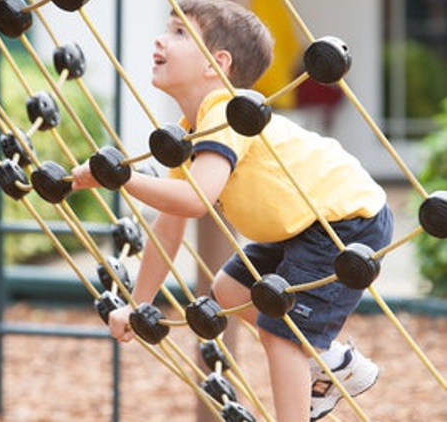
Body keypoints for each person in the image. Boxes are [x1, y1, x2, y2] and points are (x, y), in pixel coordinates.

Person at [72, 1, 393, 421]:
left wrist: (117, 177)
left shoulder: (229, 111)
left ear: (217, 63)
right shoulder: (188, 135)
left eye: (179, 32)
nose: (160, 38)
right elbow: (169, 228)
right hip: (298, 228)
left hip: (345, 221)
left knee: (282, 332)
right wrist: (139, 304)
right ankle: (335, 362)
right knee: (229, 291)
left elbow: (196, 201)